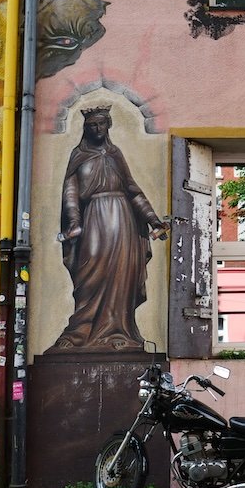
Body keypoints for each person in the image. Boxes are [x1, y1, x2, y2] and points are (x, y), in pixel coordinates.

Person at [51, 105, 166, 351]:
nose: (97, 128)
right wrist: (74, 223)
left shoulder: (115, 154)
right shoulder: (78, 154)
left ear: (108, 125)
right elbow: (70, 193)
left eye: (101, 123)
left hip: (123, 220)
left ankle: (118, 330)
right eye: (92, 125)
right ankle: (80, 331)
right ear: (86, 128)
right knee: (90, 271)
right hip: (94, 218)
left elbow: (133, 190)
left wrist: (153, 219)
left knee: (120, 274)